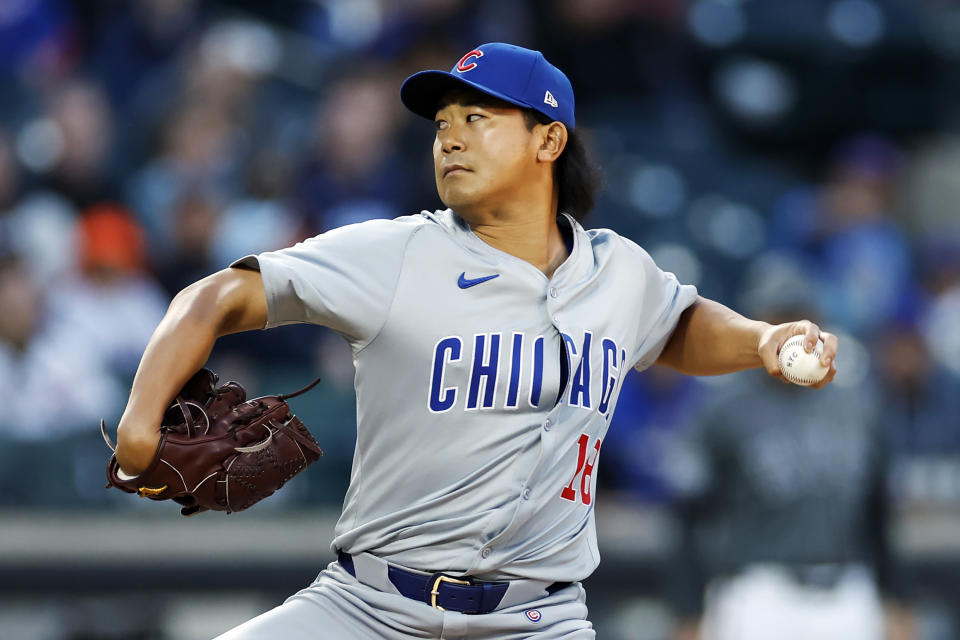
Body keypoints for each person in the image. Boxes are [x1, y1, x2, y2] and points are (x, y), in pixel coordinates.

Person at [112, 43, 838, 639]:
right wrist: (142, 421)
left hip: (538, 620)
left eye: (478, 116)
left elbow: (677, 325)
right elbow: (213, 297)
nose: (450, 135)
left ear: (548, 139)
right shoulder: (395, 252)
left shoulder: (618, 271)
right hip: (369, 609)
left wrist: (763, 339)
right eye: (441, 123)